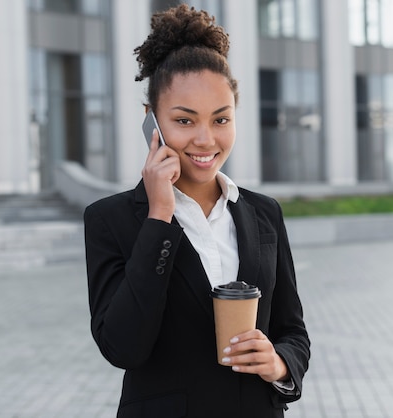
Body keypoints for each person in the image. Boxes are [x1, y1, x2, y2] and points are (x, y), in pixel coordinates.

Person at [84, 4, 310, 417]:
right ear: (152, 122)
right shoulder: (110, 220)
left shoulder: (264, 214)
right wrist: (159, 217)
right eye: (185, 121)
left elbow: (292, 330)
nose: (206, 140)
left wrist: (279, 363)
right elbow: (122, 347)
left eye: (221, 120)